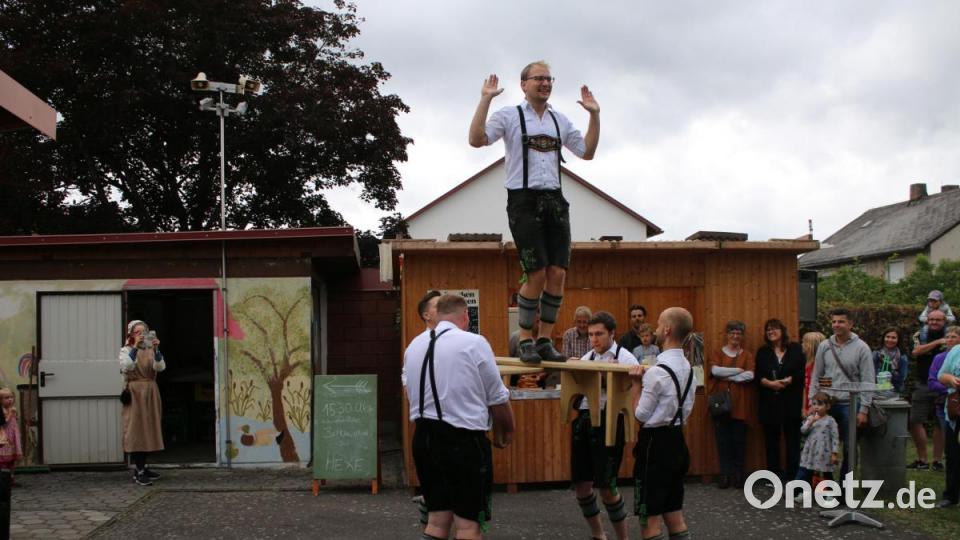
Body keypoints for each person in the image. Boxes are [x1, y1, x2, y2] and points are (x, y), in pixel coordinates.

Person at [469, 61, 599, 364]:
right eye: (538, 78)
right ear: (524, 84)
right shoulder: (509, 116)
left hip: (555, 199)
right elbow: (476, 140)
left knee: (558, 272)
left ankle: (544, 339)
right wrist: (486, 98)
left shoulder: (559, 121)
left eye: (548, 78)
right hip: (523, 200)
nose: (545, 83)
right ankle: (525, 337)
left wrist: (594, 115)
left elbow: (587, 152)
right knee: (536, 272)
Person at [403, 294, 515, 539]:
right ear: (464, 316)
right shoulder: (473, 342)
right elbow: (497, 397)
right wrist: (507, 431)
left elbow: (410, 391)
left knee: (437, 521)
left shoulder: (413, 346)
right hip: (462, 442)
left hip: (423, 440)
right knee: (467, 525)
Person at [630, 307, 696, 540]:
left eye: (658, 324)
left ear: (667, 329)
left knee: (650, 522)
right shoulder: (689, 369)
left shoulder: (656, 372)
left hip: (654, 447)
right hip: (678, 441)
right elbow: (687, 408)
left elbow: (639, 415)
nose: (656, 328)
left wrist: (636, 385)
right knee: (674, 515)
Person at [572, 311, 637, 540]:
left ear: (612, 333)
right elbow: (573, 393)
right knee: (582, 486)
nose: (594, 339)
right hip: (584, 420)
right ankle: (599, 535)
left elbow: (634, 393)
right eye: (590, 334)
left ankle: (623, 538)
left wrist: (617, 375)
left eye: (599, 334)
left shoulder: (627, 358)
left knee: (607, 488)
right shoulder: (587, 357)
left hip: (610, 423)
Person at [808, 308, 875, 479]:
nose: (836, 325)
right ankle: (828, 487)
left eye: (841, 321)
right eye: (834, 322)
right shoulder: (824, 346)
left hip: (850, 405)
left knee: (849, 448)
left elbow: (868, 380)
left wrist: (864, 409)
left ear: (851, 324)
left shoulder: (862, 348)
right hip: (827, 404)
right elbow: (817, 376)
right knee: (824, 444)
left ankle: (846, 489)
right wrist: (812, 403)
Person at [706, 321, 755, 489]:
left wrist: (728, 376)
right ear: (727, 334)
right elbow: (715, 371)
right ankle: (725, 475)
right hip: (720, 406)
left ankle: (739, 475)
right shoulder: (717, 352)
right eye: (732, 333)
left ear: (742, 336)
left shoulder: (747, 354)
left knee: (739, 442)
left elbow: (750, 375)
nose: (735, 336)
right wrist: (738, 371)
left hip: (740, 406)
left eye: (738, 333)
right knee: (723, 442)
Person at [756, 318, 805, 482]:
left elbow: (802, 372)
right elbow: (758, 376)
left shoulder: (796, 349)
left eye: (774, 329)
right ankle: (773, 476)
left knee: (792, 441)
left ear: (782, 330)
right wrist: (770, 383)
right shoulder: (763, 352)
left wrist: (790, 380)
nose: (770, 332)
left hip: (791, 402)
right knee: (771, 442)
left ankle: (792, 475)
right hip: (769, 403)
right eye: (768, 330)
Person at [119, 320, 165, 486]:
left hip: (150, 391)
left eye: (143, 332)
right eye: (137, 332)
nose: (140, 335)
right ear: (131, 335)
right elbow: (127, 366)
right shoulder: (126, 350)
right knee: (136, 429)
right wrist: (135, 349)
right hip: (135, 392)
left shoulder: (151, 349)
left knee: (148, 428)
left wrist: (157, 349)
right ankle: (138, 471)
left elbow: (160, 367)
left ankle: (144, 467)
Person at [908, 309, 948, 471]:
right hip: (923, 383)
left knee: (941, 423)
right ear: (927, 320)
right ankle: (922, 459)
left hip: (943, 385)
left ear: (944, 321)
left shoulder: (951, 335)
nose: (934, 322)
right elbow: (916, 352)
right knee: (915, 421)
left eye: (938, 320)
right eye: (931, 319)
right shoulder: (919, 335)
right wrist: (937, 343)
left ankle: (937, 460)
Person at [794, 391, 840, 503]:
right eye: (814, 404)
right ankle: (803, 493)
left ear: (828, 406)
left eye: (819, 404)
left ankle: (830, 494)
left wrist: (834, 453)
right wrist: (810, 422)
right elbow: (803, 431)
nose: (816, 407)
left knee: (826, 474)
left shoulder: (830, 421)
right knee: (805, 472)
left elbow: (835, 438)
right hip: (810, 452)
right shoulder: (811, 418)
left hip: (824, 453)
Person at [935, 341, 960, 508]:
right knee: (953, 455)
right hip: (956, 411)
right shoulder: (957, 350)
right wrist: (951, 379)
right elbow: (941, 376)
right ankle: (951, 495)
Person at [872, 327, 909, 394]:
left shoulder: (902, 356)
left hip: (896, 391)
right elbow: (871, 373)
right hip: (877, 391)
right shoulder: (876, 354)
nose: (890, 340)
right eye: (887, 337)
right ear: (884, 338)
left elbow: (902, 377)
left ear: (898, 340)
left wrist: (887, 373)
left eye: (893, 338)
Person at [0, 387, 22, 486]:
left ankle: (11, 478)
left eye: (11, 397)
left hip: (13, 437)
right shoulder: (3, 411)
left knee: (12, 460)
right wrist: (10, 414)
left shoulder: (12, 409)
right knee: (4, 460)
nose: (10, 399)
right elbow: (4, 423)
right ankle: (4, 479)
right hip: (5, 437)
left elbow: (14, 422)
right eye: (6, 398)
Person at [801, 332, 826, 416]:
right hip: (808, 404)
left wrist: (815, 406)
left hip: (818, 406)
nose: (802, 344)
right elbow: (805, 386)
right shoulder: (806, 363)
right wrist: (804, 408)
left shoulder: (823, 364)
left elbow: (825, 388)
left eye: (805, 342)